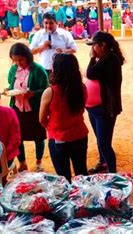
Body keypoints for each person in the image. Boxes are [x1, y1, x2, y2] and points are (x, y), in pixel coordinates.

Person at [39, 53, 89, 182]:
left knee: (63, 177)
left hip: (58, 138)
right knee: (81, 173)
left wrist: (52, 128)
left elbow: (42, 119)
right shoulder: (82, 88)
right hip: (79, 134)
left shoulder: (50, 92)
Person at [84, 32, 124, 174]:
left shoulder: (109, 59)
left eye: (94, 45)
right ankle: (103, 163)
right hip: (96, 108)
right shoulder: (106, 58)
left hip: (105, 108)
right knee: (101, 140)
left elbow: (90, 73)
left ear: (103, 45)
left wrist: (92, 58)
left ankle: (112, 173)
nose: (93, 48)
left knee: (104, 143)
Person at [6, 43, 48, 172]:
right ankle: (22, 162)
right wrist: (8, 90)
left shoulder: (38, 70)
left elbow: (46, 89)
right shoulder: (13, 69)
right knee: (18, 137)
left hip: (34, 109)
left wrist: (33, 94)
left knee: (38, 136)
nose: (18, 63)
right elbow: (11, 84)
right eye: (15, 60)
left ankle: (39, 162)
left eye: (21, 59)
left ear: (28, 57)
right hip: (18, 109)